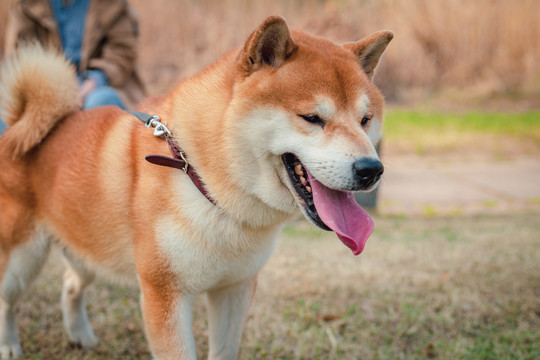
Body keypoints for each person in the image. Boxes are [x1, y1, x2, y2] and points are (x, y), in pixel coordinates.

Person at [0, 0, 146, 134]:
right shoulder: (26, 5)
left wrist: (92, 83)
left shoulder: (112, 3)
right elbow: (19, 55)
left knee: (100, 103)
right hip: (46, 90)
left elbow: (122, 52)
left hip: (99, 85)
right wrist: (54, 95)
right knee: (4, 118)